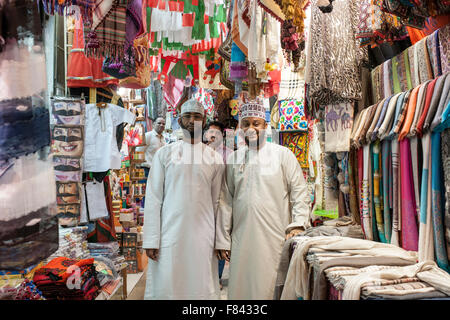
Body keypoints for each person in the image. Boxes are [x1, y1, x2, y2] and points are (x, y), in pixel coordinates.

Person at [215, 99, 311, 300]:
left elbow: (299, 193)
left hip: (275, 237)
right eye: (246, 123)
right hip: (242, 238)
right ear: (240, 127)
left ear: (265, 126)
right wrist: (223, 239)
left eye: (256, 123)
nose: (251, 128)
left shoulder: (283, 155)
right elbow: (226, 201)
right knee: (243, 290)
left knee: (272, 288)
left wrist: (298, 224)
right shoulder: (233, 159)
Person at [142, 99, 225, 299]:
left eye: (197, 117)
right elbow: (153, 198)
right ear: (179, 120)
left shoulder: (214, 158)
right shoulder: (164, 154)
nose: (191, 121)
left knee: (200, 285)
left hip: (203, 234)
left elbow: (219, 202)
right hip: (169, 233)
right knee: (168, 283)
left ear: (204, 121)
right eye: (187, 116)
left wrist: (221, 240)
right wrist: (151, 239)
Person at [203, 121, 233, 289]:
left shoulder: (229, 155)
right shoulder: (198, 153)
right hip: (204, 202)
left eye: (217, 132)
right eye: (210, 132)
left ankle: (218, 277)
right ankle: (206, 276)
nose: (213, 135)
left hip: (223, 201)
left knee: (220, 238)